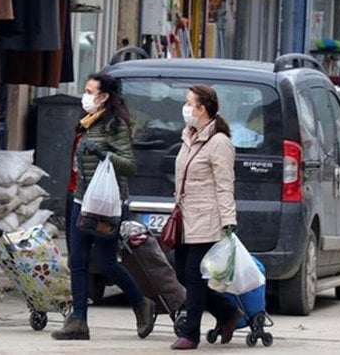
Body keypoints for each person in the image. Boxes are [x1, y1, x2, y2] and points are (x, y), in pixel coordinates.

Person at [52, 73, 155, 340]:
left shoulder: (114, 125)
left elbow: (129, 165)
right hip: (81, 199)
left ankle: (141, 303)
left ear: (104, 97)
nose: (85, 96)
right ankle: (78, 321)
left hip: (107, 205)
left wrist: (105, 154)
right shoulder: (88, 122)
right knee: (77, 260)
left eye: (90, 91)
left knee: (106, 262)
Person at [170, 84, 244, 350]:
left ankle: (191, 333)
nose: (185, 107)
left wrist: (228, 221)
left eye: (189, 103)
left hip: (207, 218)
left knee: (194, 274)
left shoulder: (219, 143)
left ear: (202, 109)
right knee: (181, 272)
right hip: (184, 218)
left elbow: (225, 184)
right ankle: (227, 313)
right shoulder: (189, 136)